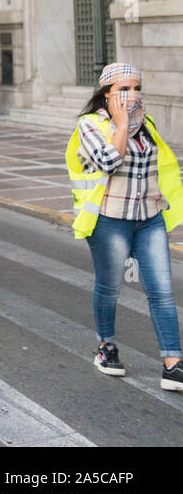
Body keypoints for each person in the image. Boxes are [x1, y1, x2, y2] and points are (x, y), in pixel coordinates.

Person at [68, 63, 183, 390]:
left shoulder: (146, 123)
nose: (131, 95)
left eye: (136, 88)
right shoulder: (90, 125)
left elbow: (158, 167)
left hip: (150, 219)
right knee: (110, 287)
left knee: (162, 290)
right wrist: (121, 125)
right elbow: (108, 162)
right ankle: (106, 347)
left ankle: (172, 363)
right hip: (110, 219)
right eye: (122, 89)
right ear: (106, 93)